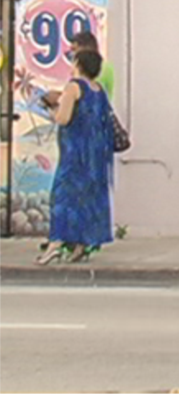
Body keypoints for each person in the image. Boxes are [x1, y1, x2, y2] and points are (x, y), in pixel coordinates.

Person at [35, 50, 115, 265]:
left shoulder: (74, 87)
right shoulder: (98, 90)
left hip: (74, 152)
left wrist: (50, 108)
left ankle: (55, 244)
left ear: (79, 64)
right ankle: (81, 244)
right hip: (95, 153)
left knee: (62, 197)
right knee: (87, 199)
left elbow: (63, 118)